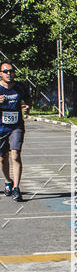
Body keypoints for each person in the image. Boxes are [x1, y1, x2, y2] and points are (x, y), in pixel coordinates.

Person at [0, 62, 30, 202]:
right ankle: (8, 181)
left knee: (15, 154)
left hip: (16, 126)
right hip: (1, 127)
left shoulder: (20, 87)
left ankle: (16, 188)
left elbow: (28, 101)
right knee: (2, 158)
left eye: (11, 71)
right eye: (5, 71)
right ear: (1, 74)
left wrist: (27, 107)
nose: (8, 73)